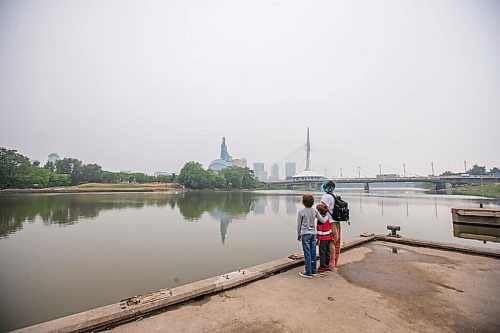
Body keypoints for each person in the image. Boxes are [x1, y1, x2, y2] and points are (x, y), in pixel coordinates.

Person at [297, 194, 325, 278]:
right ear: (313, 203)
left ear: (303, 202)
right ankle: (313, 271)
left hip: (305, 233)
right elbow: (322, 220)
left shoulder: (301, 212)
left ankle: (308, 272)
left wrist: (298, 234)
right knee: (313, 252)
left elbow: (299, 224)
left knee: (307, 253)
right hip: (313, 234)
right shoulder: (315, 211)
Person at [320, 180, 341, 269]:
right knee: (337, 242)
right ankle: (335, 262)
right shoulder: (335, 196)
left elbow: (321, 210)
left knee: (331, 243)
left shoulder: (326, 197)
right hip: (337, 222)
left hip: (330, 223)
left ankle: (330, 264)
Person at [315, 203, 332, 273]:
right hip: (328, 237)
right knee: (328, 251)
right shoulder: (327, 219)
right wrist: (331, 236)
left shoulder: (320, 221)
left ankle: (322, 266)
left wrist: (318, 240)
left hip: (322, 239)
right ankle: (327, 264)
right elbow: (329, 228)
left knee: (322, 252)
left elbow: (319, 231)